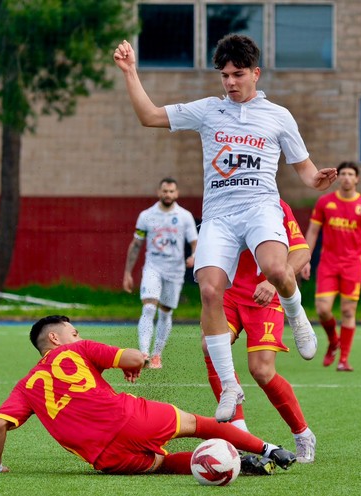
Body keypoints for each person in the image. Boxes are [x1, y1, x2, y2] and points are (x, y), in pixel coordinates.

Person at [113, 34, 337, 422]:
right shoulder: (208, 110)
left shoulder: (279, 116)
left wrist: (317, 180)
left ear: (256, 73)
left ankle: (297, 316)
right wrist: (130, 71)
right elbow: (149, 115)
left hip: (260, 208)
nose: (230, 82)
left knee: (276, 268)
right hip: (218, 216)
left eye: (238, 74)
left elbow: (305, 169)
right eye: (224, 76)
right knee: (210, 289)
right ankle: (230, 385)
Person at [0, 315, 297, 476]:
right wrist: (136, 363)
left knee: (163, 463)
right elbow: (135, 357)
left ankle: (237, 464)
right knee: (199, 424)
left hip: (106, 457)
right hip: (130, 418)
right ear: (55, 337)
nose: (78, 336)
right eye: (74, 332)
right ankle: (270, 450)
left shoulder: (26, 385)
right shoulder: (79, 349)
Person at [203, 199, 317, 463]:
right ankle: (240, 436)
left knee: (262, 371)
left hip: (264, 297)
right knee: (210, 345)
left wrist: (272, 282)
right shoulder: (220, 200)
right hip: (229, 294)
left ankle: (302, 433)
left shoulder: (275, 205)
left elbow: (301, 253)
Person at [302, 161, 361, 371]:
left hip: (353, 266)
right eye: (343, 174)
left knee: (348, 310)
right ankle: (333, 340)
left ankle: (344, 360)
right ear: (338, 178)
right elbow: (313, 232)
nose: (346, 177)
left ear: (357, 179)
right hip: (328, 264)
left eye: (350, 174)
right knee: (322, 309)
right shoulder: (325, 202)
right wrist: (305, 259)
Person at [122, 177, 198, 369]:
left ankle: (157, 354)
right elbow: (136, 243)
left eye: (171, 191)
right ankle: (144, 354)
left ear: (177, 194)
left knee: (165, 312)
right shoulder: (147, 215)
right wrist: (128, 273)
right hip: (153, 267)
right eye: (165, 191)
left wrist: (194, 256)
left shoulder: (184, 216)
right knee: (149, 308)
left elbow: (194, 242)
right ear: (159, 192)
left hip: (175, 270)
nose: (168, 194)